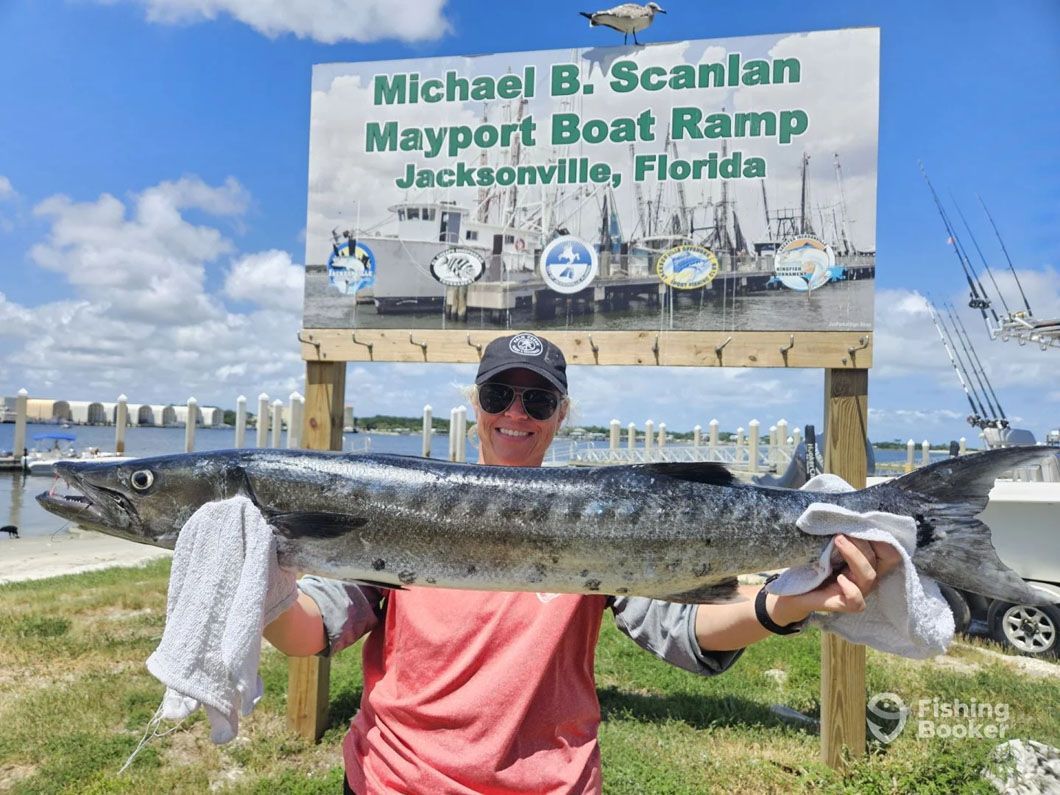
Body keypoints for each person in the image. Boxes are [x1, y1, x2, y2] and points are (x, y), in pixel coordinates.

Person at [265, 332, 899, 794]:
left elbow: (679, 630)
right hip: (392, 780)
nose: (516, 413)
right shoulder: (401, 506)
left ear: (561, 416)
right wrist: (261, 586)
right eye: (500, 394)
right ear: (476, 404)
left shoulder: (597, 518)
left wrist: (793, 604)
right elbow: (312, 631)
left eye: (538, 402)